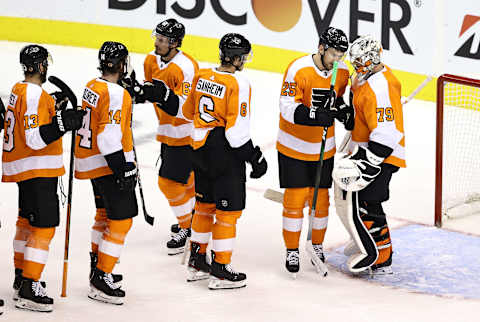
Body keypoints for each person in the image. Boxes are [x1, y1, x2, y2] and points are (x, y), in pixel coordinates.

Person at [182, 33, 267, 289]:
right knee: (228, 213)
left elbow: (187, 112)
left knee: (204, 207)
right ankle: (220, 268)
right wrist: (255, 157)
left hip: (199, 150)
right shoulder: (238, 84)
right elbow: (235, 133)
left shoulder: (201, 76)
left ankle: (197, 262)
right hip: (224, 154)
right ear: (238, 58)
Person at [3, 44, 84, 312]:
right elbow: (36, 138)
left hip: (25, 168)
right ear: (40, 67)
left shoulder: (19, 89)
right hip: (38, 168)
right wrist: (63, 123)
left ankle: (20, 275)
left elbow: (31, 118)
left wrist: (54, 105)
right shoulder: (35, 94)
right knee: (45, 225)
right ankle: (30, 284)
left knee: (26, 221)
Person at [276, 27, 352, 276]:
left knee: (321, 203)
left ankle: (316, 245)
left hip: (324, 148)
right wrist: (315, 115)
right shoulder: (298, 68)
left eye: (342, 55)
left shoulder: (341, 71)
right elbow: (286, 106)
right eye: (333, 54)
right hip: (293, 147)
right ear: (321, 48)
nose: (337, 60)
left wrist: (343, 113)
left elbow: (338, 99)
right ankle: (292, 249)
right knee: (295, 201)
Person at [332, 35, 406, 274]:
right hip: (364, 148)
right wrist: (345, 113)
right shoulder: (362, 79)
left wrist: (370, 162)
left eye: (361, 62)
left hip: (382, 154)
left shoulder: (381, 86)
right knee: (357, 199)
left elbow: (387, 133)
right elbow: (359, 114)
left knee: (370, 200)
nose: (357, 67)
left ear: (373, 59)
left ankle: (382, 253)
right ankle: (365, 239)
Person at [74, 41, 138, 305]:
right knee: (122, 220)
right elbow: (109, 138)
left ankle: (96, 268)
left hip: (92, 164)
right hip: (107, 165)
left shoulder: (92, 85)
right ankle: (102, 275)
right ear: (122, 64)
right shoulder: (116, 94)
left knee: (103, 215)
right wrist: (122, 170)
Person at [143, 18, 199, 255]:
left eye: (163, 40)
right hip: (166, 131)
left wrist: (161, 96)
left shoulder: (186, 67)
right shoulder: (150, 59)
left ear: (175, 43)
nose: (158, 43)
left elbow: (186, 109)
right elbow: (149, 90)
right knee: (186, 182)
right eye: (157, 38)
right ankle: (195, 220)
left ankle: (189, 227)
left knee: (168, 182)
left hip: (186, 134)